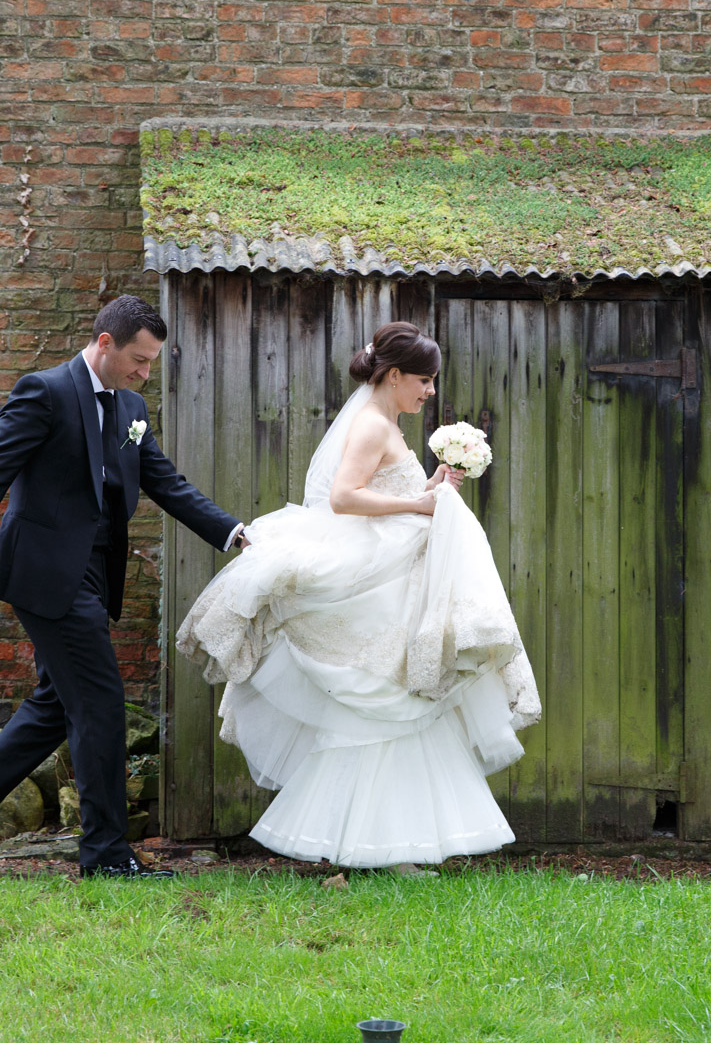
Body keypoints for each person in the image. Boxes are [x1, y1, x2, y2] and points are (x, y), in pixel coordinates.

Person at [176, 321, 540, 870]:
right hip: (374, 572)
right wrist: (420, 506)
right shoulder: (372, 425)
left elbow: (381, 491)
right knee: (384, 700)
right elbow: (345, 498)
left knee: (399, 702)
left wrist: (430, 489)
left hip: (394, 569)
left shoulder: (386, 422)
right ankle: (371, 845)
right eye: (424, 380)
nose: (430, 391)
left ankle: (393, 844)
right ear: (394, 376)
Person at [0, 294, 247, 879]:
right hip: (45, 573)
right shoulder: (44, 391)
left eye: (151, 364)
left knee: (57, 706)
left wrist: (235, 534)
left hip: (95, 576)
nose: (144, 373)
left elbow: (165, 482)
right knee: (99, 704)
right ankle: (105, 853)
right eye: (139, 360)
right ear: (105, 343)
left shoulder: (130, 407)